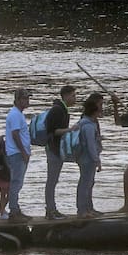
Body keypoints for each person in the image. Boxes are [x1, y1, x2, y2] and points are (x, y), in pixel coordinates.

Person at [44, 85, 79, 219]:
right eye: (73, 95)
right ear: (65, 96)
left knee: (54, 180)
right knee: (52, 180)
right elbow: (52, 131)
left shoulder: (63, 109)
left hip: (57, 149)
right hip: (53, 149)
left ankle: (52, 209)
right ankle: (50, 210)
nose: (74, 98)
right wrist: (70, 130)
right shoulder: (57, 110)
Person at [5, 88, 33, 221]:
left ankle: (15, 208)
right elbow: (15, 134)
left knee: (18, 182)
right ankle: (14, 211)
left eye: (28, 98)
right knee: (16, 182)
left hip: (18, 153)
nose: (27, 101)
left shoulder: (18, 114)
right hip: (16, 153)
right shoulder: (15, 114)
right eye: (24, 98)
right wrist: (23, 152)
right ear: (17, 100)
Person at [76, 93, 105, 218]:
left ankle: (89, 208)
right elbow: (90, 145)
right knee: (85, 183)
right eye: (100, 105)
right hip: (86, 158)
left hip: (86, 157)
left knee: (89, 182)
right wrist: (97, 159)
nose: (101, 108)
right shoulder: (87, 125)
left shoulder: (90, 122)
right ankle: (83, 210)